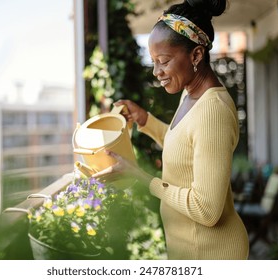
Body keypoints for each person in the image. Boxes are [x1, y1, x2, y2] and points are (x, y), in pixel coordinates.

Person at [93, 0, 249, 260]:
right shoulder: (191, 94)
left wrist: (143, 179)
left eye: (163, 61)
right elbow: (185, 148)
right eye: (153, 61)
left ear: (196, 55)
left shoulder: (213, 110)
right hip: (190, 250)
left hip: (212, 254)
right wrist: (145, 120)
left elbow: (207, 210)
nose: (157, 72)